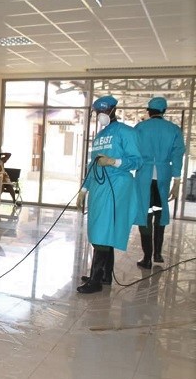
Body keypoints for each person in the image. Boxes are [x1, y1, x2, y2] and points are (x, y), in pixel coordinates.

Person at [76, 95, 142, 294]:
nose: (101, 114)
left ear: (113, 110)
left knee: (102, 231)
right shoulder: (99, 136)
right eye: (98, 111)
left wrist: (114, 162)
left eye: (104, 110)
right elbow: (92, 164)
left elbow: (137, 161)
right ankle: (104, 274)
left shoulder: (125, 132)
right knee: (103, 229)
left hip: (116, 186)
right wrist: (84, 189)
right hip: (98, 186)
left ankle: (95, 280)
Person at [134, 97, 185, 269]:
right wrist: (177, 180)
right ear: (164, 111)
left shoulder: (140, 128)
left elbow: (132, 153)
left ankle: (147, 257)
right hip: (163, 177)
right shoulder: (174, 129)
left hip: (144, 178)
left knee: (145, 215)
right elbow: (178, 154)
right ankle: (157, 254)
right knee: (159, 213)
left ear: (149, 111)